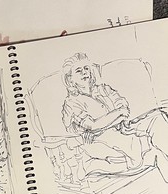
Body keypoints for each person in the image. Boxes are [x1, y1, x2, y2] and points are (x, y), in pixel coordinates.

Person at [61, 52, 168, 180]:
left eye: (86, 68)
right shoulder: (71, 102)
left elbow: (124, 108)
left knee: (158, 118)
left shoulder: (103, 89)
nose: (84, 73)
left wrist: (111, 120)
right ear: (70, 79)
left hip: (122, 127)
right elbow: (93, 125)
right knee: (148, 149)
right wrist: (117, 115)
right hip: (102, 138)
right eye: (78, 71)